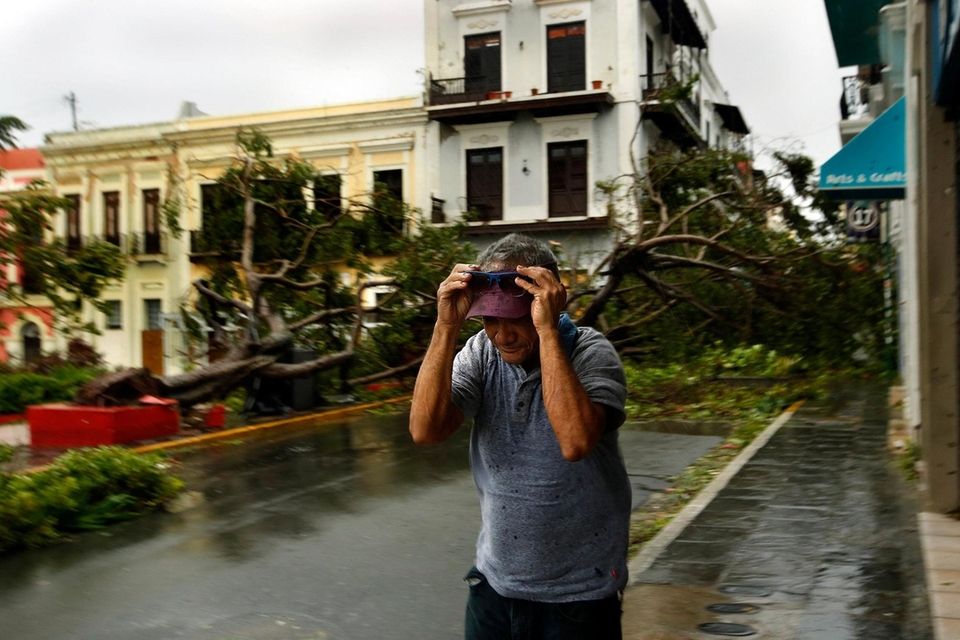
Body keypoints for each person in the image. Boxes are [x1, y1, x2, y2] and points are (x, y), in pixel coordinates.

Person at [409, 233, 631, 640]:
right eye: (490, 319)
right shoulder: (479, 353)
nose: (502, 335)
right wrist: (445, 326)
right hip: (495, 586)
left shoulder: (591, 353)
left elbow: (575, 441)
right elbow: (426, 430)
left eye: (516, 319)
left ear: (548, 304)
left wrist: (547, 333)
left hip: (578, 596)